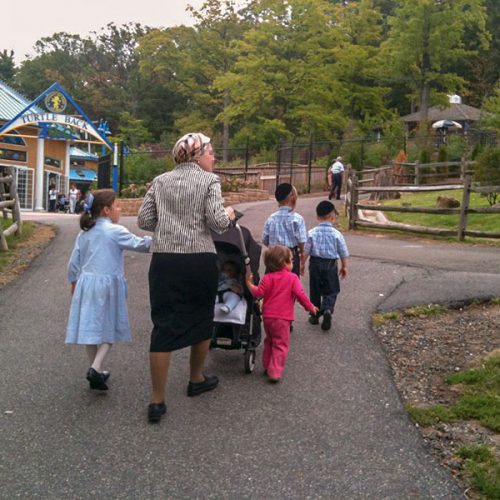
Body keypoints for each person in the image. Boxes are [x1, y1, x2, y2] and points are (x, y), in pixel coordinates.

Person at [138, 132, 235, 424]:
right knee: (201, 317)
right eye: (211, 152)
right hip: (198, 259)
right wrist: (229, 212)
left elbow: (144, 221)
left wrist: (169, 221)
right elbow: (218, 223)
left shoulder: (160, 181)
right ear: (198, 154)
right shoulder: (210, 181)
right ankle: (196, 379)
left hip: (165, 260)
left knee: (163, 324)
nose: (214, 157)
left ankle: (157, 401)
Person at [66, 189, 152, 391]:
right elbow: (140, 245)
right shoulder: (115, 231)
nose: (119, 209)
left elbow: (73, 262)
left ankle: (95, 367)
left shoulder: (85, 232)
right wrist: (158, 240)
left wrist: (73, 282)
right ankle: (95, 368)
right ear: (106, 210)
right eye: (117, 205)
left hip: (86, 283)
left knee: (91, 328)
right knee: (108, 327)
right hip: (107, 286)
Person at [245, 245, 318, 383]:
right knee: (281, 344)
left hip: (267, 317)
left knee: (270, 341)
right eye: (291, 260)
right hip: (283, 319)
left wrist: (249, 284)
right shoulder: (292, 278)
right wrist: (310, 307)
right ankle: (275, 371)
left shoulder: (267, 278)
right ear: (284, 263)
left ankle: (267, 365)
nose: (293, 262)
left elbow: (259, 293)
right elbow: (300, 295)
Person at [302, 200, 349, 331]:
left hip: (315, 264)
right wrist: (344, 266)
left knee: (315, 290)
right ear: (333, 218)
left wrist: (302, 264)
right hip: (331, 265)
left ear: (317, 217)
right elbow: (343, 252)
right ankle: (327, 309)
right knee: (332, 289)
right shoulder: (337, 234)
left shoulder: (311, 233)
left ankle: (315, 315)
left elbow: (306, 251)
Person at [262, 183, 307, 277]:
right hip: (290, 257)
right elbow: (301, 240)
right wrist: (302, 253)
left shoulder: (271, 218)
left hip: (274, 257)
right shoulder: (297, 219)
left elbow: (265, 239)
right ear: (293, 198)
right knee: (291, 285)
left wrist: (274, 248)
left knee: (273, 285)